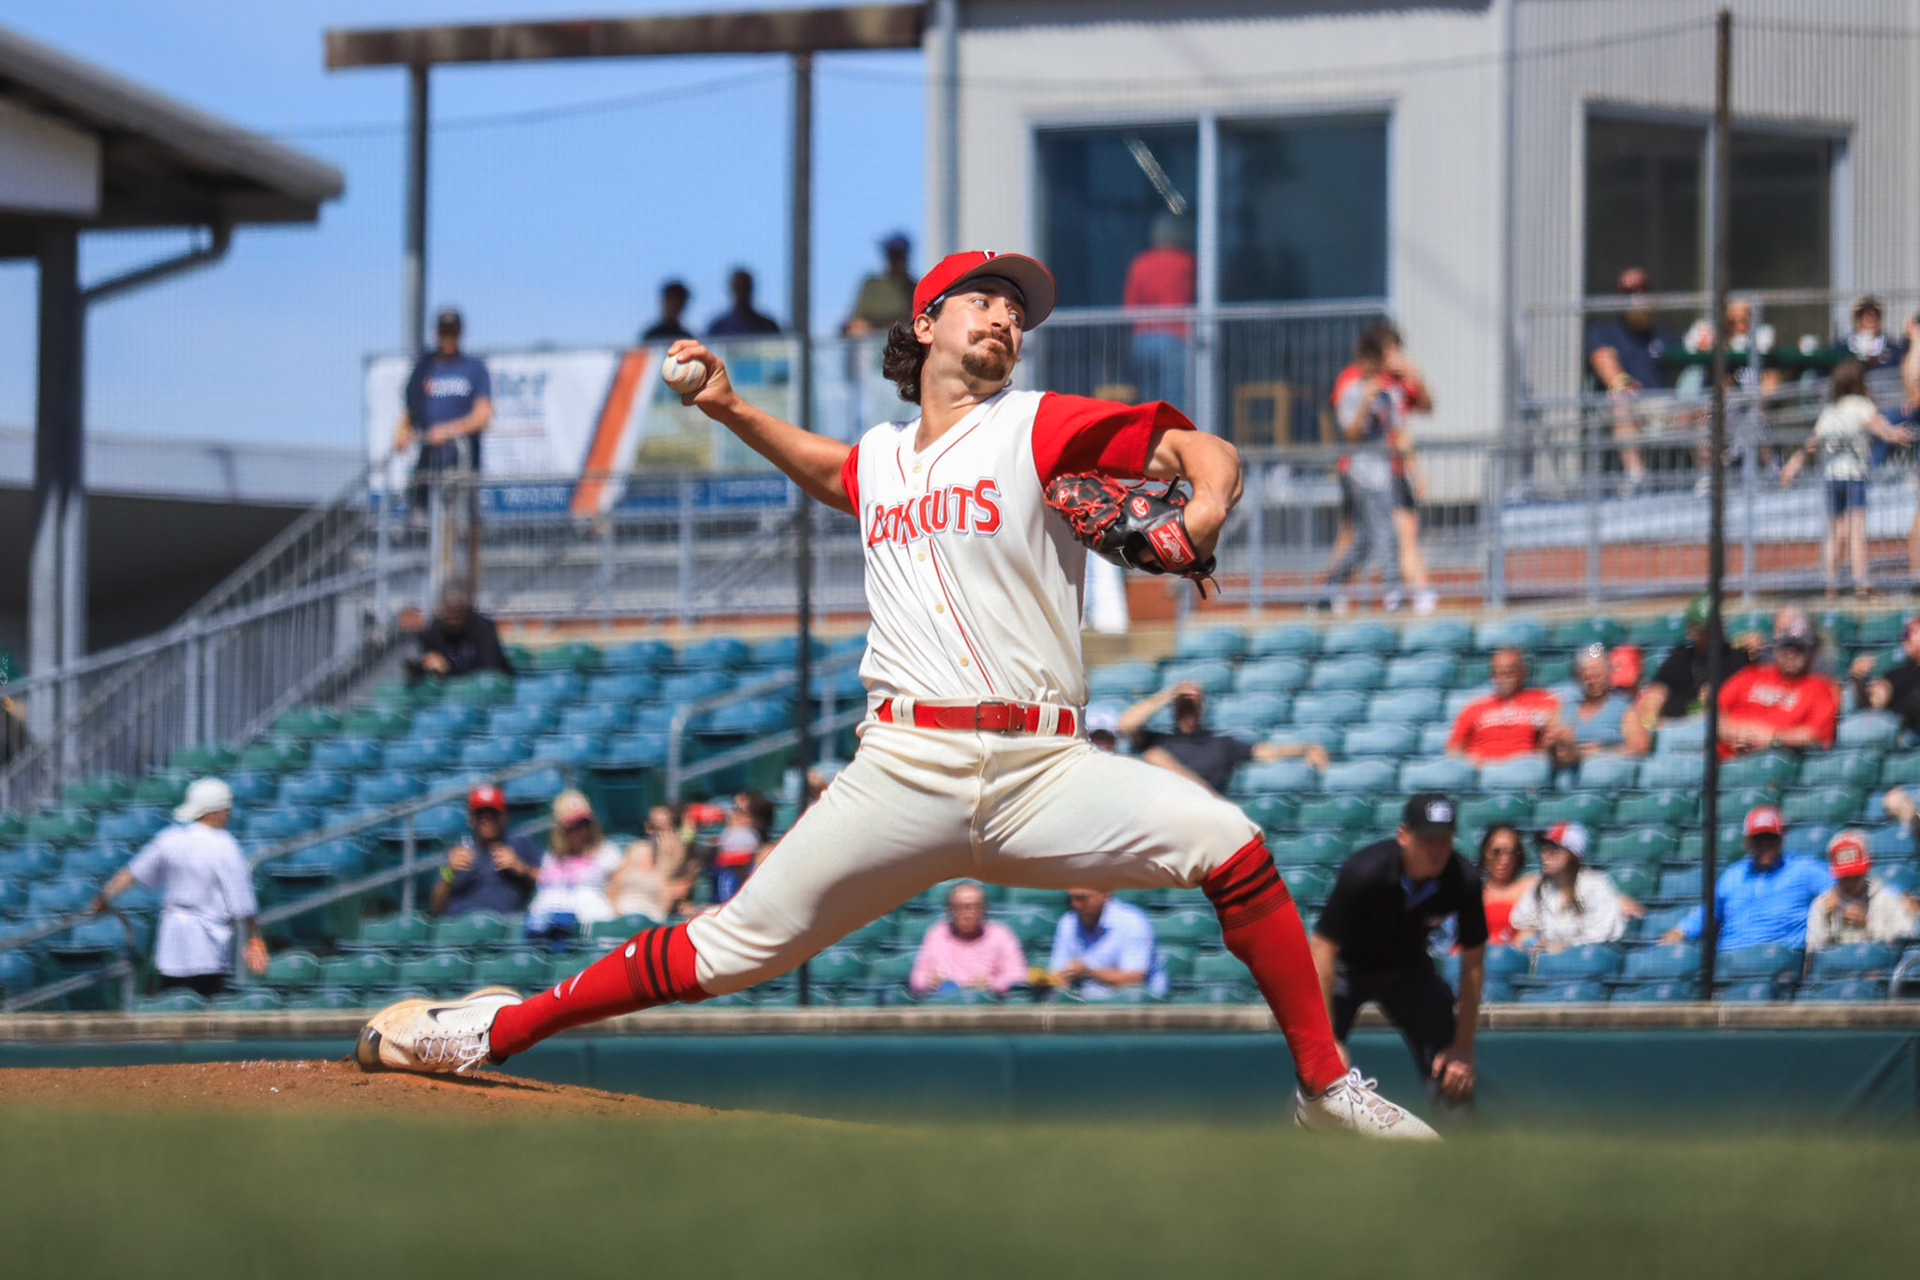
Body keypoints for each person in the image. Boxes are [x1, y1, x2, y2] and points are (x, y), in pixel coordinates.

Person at [357, 247, 1431, 1138]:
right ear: (925, 324)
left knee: (1231, 841)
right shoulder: (883, 457)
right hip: (904, 767)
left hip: (1044, 768)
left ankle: (1326, 1086)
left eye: (1019, 311)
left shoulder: (1038, 423)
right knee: (731, 949)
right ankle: (495, 1027)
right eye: (985, 301)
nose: (1007, 319)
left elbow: (1204, 448)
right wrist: (731, 408)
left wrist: (1198, 509)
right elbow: (839, 471)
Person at [1311, 795, 1485, 1118]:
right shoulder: (1363, 872)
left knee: (1452, 1066)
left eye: (1445, 839)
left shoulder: (1463, 879)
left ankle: (1463, 1150)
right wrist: (1326, 1039)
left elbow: (1473, 960)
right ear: (1404, 836)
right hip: (1349, 968)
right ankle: (1300, 1134)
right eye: (1427, 839)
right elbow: (1322, 947)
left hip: (1407, 969)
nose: (1437, 849)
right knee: (1316, 1063)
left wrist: (1463, 1046)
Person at [88, 778, 267, 998]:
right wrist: (254, 937)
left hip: (173, 940)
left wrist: (103, 897)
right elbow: (241, 899)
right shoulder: (223, 843)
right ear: (216, 812)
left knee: (170, 1002)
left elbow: (131, 873)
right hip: (207, 944)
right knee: (205, 1006)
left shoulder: (170, 838)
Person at [1778, 359, 1914, 599]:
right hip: (1854, 476)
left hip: (1832, 477)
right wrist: (1899, 435)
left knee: (1836, 532)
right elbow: (1882, 429)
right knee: (1855, 531)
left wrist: (1793, 464)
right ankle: (1861, 584)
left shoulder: (1831, 410)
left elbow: (1812, 443)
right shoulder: (1862, 406)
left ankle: (1831, 585)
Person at [1663, 804, 1833, 949]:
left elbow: (1843, 889)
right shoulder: (1732, 875)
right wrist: (1681, 931)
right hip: (1729, 961)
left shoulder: (1803, 869)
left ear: (1781, 839)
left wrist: (1846, 903)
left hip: (1780, 963)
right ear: (1746, 842)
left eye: (1770, 838)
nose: (1765, 845)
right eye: (1758, 839)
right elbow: (1709, 912)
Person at [1118, 680, 1328, 795]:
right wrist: (1170, 693)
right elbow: (1125, 725)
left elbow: (1266, 752)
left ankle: (1203, 798)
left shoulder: (1221, 745)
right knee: (1154, 756)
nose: (1188, 703)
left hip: (1204, 816)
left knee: (1154, 757)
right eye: (1183, 702)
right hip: (1170, 810)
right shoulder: (1158, 741)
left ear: (1202, 707)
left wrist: (1306, 748)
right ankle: (1204, 796)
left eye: (1193, 700)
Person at [1322, 325, 1404, 611]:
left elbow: (1398, 430)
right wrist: (1366, 402)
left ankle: (1331, 585)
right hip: (1360, 474)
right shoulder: (1352, 390)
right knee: (1384, 533)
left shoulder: (1390, 393)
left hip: (1383, 472)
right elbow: (1351, 432)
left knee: (1366, 540)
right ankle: (1394, 593)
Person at [1585, 266, 1675, 490]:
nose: (1637, 296)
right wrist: (1624, 384)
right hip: (1630, 404)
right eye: (1629, 291)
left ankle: (1707, 481)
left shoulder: (1663, 337)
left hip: (1663, 407)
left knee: (1700, 408)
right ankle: (1637, 477)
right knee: (1621, 401)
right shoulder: (1605, 333)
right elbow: (1604, 362)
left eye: (1643, 289)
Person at [394, 306, 492, 506]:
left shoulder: (474, 368)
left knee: (460, 522)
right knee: (419, 524)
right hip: (428, 463)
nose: (448, 336)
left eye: (452, 331)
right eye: (444, 331)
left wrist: (447, 432)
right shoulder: (423, 368)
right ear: (436, 332)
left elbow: (483, 415)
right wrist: (402, 432)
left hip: (461, 462)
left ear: (460, 332)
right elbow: (409, 411)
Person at [1715, 613, 1839, 758]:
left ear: (1811, 653)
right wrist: (1734, 733)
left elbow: (1816, 735)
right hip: (1723, 756)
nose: (1791, 653)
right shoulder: (1750, 674)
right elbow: (1716, 712)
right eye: (1786, 646)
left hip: (1772, 759)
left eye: (1799, 648)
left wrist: (1773, 739)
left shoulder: (1819, 687)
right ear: (1777, 648)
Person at [1633, 594, 1755, 727]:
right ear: (1692, 630)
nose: (1712, 633)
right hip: (1674, 730)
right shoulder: (1678, 659)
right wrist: (1654, 721)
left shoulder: (1737, 659)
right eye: (1706, 629)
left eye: (1716, 626)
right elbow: (1655, 695)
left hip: (1722, 729)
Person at [1507, 823, 1626, 952]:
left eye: (1553, 848)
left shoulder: (1596, 885)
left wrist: (1565, 945)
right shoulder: (1540, 889)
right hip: (1547, 964)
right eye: (1542, 847)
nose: (1544, 854)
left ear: (1573, 853)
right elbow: (1524, 928)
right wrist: (1527, 942)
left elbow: (1602, 936)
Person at [430, 784, 542, 918]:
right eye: (480, 814)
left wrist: (521, 868)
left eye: (492, 813)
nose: (486, 819)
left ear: (503, 817)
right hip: (458, 928)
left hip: (501, 930)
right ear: (470, 819)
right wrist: (449, 870)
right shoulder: (458, 851)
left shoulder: (519, 843)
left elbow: (549, 882)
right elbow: (436, 907)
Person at [524, 791, 623, 939]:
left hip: (590, 921)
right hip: (549, 924)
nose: (581, 831)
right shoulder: (551, 856)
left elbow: (615, 893)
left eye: (584, 824)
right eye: (574, 826)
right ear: (561, 830)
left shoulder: (606, 851)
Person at [1122, 214, 1196, 408]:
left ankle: (1152, 436)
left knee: (1149, 397)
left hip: (1143, 340)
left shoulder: (1140, 263)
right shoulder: (1186, 262)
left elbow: (1130, 306)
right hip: (1175, 336)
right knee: (1175, 399)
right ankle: (1174, 437)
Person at [909, 880, 1028, 997]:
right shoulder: (937, 933)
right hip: (946, 1005)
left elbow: (1017, 975)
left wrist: (991, 983)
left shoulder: (1001, 935)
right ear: (949, 910)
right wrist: (929, 981)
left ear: (984, 909)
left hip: (989, 1006)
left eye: (974, 907)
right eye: (960, 907)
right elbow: (917, 977)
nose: (967, 914)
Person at [1447, 649, 1562, 765]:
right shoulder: (1475, 707)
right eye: (1497, 673)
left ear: (1523, 672)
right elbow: (1454, 748)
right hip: (1483, 769)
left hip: (1524, 767)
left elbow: (1554, 734)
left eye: (1509, 672)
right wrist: (1468, 761)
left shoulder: (1541, 700)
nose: (1502, 678)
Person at [1804, 830, 1915, 951]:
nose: (1851, 881)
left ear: (1866, 869)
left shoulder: (1886, 898)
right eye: (1845, 876)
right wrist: (1826, 919)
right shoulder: (1823, 904)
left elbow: (1905, 939)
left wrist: (1869, 924)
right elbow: (1814, 951)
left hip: (1879, 967)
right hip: (1839, 967)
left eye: (1856, 874)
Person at [1047, 887, 1164, 1000]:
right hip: (1088, 1005)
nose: (1075, 904)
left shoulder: (1132, 922)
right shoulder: (1068, 922)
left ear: (1104, 894)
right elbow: (1057, 974)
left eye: (1082, 898)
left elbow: (1135, 978)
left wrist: (1088, 972)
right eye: (1071, 898)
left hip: (1137, 1007)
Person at [1546, 644, 1648, 773]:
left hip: (1608, 773)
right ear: (1578, 678)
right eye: (1587, 676)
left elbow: (1639, 747)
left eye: (1598, 675)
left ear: (1608, 674)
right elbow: (1546, 748)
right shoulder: (1565, 709)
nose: (1593, 681)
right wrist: (1557, 745)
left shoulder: (1624, 708)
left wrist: (1597, 753)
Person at [409, 583, 513, 684]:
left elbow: (489, 669)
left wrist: (447, 667)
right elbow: (427, 661)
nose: (454, 616)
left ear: (468, 609)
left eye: (459, 609)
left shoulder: (484, 628)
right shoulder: (434, 630)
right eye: (449, 610)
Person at [606, 805, 693, 921]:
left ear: (674, 831)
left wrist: (664, 866)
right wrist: (615, 916)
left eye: (661, 828)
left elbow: (665, 904)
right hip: (622, 914)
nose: (652, 832)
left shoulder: (678, 856)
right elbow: (613, 888)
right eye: (651, 826)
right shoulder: (636, 848)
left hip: (653, 919)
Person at [1475, 824, 1536, 948]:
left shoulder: (1529, 886)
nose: (1505, 859)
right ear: (1485, 852)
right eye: (1496, 852)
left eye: (1512, 852)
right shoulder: (1473, 889)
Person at [843, 233, 916, 336]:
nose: (895, 261)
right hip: (872, 347)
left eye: (898, 256)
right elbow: (856, 323)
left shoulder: (915, 289)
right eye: (892, 255)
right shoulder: (872, 285)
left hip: (904, 346)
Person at [707, 267, 781, 337]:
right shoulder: (718, 328)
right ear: (732, 290)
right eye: (738, 287)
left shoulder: (769, 327)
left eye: (744, 287)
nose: (741, 292)